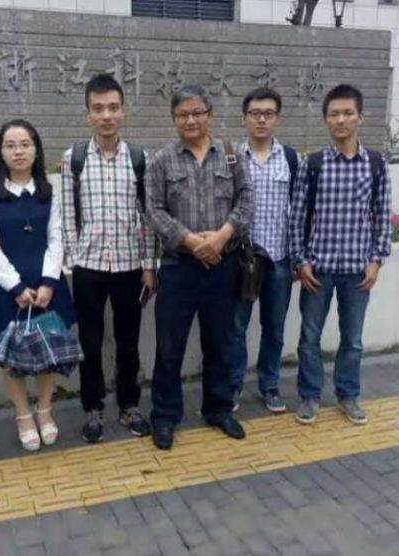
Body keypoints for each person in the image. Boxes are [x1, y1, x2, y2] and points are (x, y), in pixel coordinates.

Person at [145, 85, 254, 450]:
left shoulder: (232, 155)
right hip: (179, 268)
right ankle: (165, 416)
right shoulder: (162, 160)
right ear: (174, 119)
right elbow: (154, 210)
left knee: (220, 343)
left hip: (223, 266)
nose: (190, 120)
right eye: (183, 115)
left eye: (197, 113)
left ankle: (218, 409)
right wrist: (193, 242)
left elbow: (247, 201)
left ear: (210, 114)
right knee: (169, 347)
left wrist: (221, 237)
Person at [61, 74, 157, 443]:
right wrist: (73, 257)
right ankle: (93, 408)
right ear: (88, 114)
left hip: (130, 267)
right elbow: (68, 215)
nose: (106, 116)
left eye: (113, 108)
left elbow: (148, 217)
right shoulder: (74, 159)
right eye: (98, 109)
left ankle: (129, 405)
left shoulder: (139, 159)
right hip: (89, 268)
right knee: (90, 342)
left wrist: (149, 265)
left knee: (128, 342)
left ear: (123, 111)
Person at [289, 84, 392, 426]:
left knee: (353, 340)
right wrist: (301, 261)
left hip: (357, 271)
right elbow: (297, 217)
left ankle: (348, 395)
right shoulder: (313, 164)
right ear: (326, 119)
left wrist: (376, 261)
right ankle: (309, 396)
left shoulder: (375, 164)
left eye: (348, 113)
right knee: (309, 339)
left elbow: (383, 215)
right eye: (334, 114)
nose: (341, 120)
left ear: (360, 117)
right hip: (317, 270)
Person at [0, 119, 76, 451]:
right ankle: (23, 415)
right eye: (10, 145)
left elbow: (56, 238)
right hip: (8, 288)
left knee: (48, 351)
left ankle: (45, 411)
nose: (18, 151)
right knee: (12, 358)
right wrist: (16, 287)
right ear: (1, 152)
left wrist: (49, 282)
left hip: (47, 285)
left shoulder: (49, 191)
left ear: (36, 150)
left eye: (25, 144)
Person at [228, 87, 300, 414]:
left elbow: (299, 211)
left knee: (274, 328)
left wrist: (298, 257)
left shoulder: (291, 159)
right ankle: (233, 385)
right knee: (236, 328)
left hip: (279, 260)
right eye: (255, 113)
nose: (261, 120)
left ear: (277, 118)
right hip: (242, 260)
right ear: (244, 118)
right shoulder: (231, 158)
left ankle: (269, 385)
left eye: (268, 114)